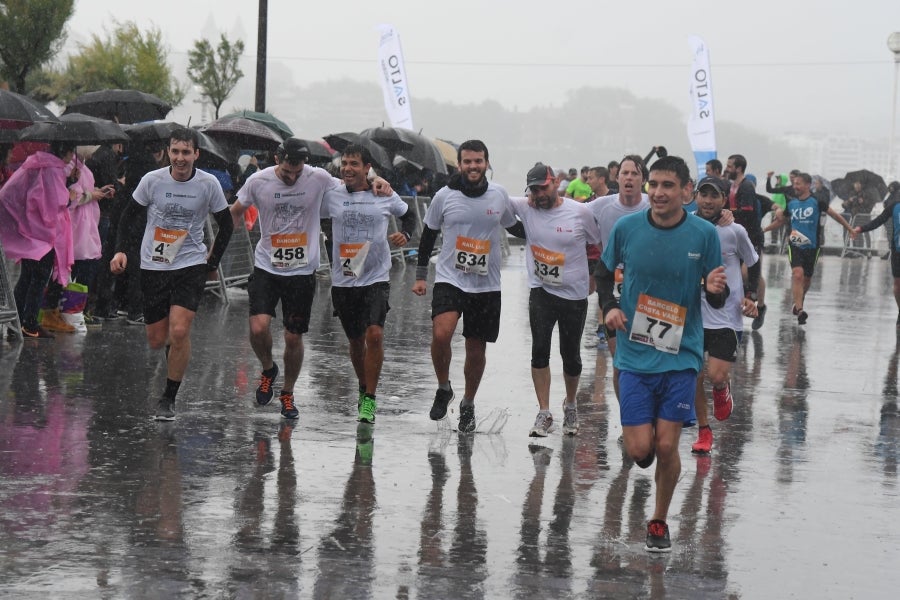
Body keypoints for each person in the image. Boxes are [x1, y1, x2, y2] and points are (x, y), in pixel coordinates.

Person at [596, 155, 727, 552]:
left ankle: (658, 520)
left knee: (668, 447)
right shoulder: (627, 228)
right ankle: (647, 441)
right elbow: (603, 272)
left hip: (681, 354)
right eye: (653, 184)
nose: (657, 192)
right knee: (640, 451)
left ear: (686, 191)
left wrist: (716, 290)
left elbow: (717, 298)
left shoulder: (704, 234)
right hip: (634, 355)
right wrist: (610, 307)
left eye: (667, 185)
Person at [230, 138, 394, 420]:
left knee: (293, 338)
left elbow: (352, 182)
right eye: (287, 172)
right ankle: (268, 369)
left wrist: (376, 179)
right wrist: (232, 242)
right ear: (277, 159)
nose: (292, 177)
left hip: (301, 272)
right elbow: (235, 211)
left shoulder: (318, 177)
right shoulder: (258, 181)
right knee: (258, 328)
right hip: (267, 267)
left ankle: (288, 394)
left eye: (298, 172)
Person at [110, 127, 234, 420]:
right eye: (175, 151)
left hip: (190, 264)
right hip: (154, 264)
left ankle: (168, 398)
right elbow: (128, 215)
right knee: (157, 339)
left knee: (179, 330)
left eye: (186, 152)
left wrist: (211, 262)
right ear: (168, 152)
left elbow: (227, 224)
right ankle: (176, 351)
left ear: (196, 154)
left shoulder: (208, 184)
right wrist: (120, 251)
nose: (180, 158)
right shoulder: (152, 180)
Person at [412, 139, 517, 433]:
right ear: (459, 164)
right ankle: (443, 387)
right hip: (450, 277)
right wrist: (420, 275)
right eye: (468, 161)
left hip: (486, 284)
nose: (473, 166)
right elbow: (428, 235)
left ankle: (468, 403)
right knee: (441, 333)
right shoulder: (444, 196)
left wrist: (550, 230)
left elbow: (516, 226)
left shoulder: (498, 195)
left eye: (478, 161)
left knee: (475, 348)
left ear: (486, 163)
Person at [320, 144, 417, 423]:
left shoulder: (382, 193)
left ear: (367, 168)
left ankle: (370, 399)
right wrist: (330, 238)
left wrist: (406, 235)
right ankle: (363, 387)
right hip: (345, 279)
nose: (347, 169)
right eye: (344, 163)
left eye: (354, 164)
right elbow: (315, 212)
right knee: (355, 342)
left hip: (376, 277)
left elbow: (409, 214)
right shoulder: (332, 195)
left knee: (374, 334)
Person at [512, 164, 601, 437]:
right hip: (541, 290)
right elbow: (493, 197)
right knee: (539, 350)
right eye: (534, 190)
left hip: (574, 294)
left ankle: (571, 404)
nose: (539, 194)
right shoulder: (526, 208)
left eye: (543, 188)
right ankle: (544, 412)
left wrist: (594, 276)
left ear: (556, 183)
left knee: (570, 356)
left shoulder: (579, 212)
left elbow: (597, 244)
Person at [689, 177, 760, 454]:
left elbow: (753, 262)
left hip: (726, 317)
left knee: (716, 376)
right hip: (693, 315)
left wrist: (751, 296)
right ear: (696, 196)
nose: (708, 201)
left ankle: (722, 388)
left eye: (714, 196)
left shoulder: (735, 231)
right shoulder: (686, 226)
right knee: (693, 375)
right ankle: (703, 430)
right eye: (703, 194)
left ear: (724, 200)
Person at [0, 141, 76, 339]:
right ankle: (30, 322)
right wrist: (69, 196)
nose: (72, 158)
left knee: (27, 277)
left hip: (30, 232)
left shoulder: (35, 164)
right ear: (66, 152)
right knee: (39, 278)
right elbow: (56, 202)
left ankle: (16, 323)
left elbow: (12, 193)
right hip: (45, 235)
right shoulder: (53, 170)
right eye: (72, 153)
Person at [588, 155, 649, 396]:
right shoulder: (601, 206)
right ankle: (628, 414)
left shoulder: (653, 205)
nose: (629, 178)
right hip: (611, 291)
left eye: (635, 174)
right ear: (617, 177)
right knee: (620, 362)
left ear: (643, 179)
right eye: (625, 173)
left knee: (648, 361)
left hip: (647, 294)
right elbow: (567, 211)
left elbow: (689, 216)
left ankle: (647, 412)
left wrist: (724, 216)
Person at [763, 172, 855, 325]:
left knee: (807, 279)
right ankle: (800, 310)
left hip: (812, 246)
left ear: (807, 185)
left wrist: (850, 228)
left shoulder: (817, 201)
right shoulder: (791, 203)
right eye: (794, 184)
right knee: (797, 274)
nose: (795, 187)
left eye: (798, 184)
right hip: (795, 243)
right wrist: (764, 229)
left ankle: (799, 300)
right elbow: (781, 220)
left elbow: (834, 215)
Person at [724, 154, 768, 331]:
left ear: (739, 168)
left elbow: (747, 213)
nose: (727, 169)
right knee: (737, 271)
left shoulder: (747, 186)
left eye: (730, 166)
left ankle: (758, 304)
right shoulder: (731, 186)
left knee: (748, 271)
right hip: (736, 236)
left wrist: (727, 214)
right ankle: (741, 303)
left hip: (751, 236)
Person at [854, 181, 900, 325]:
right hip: (898, 251)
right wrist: (861, 228)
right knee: (898, 285)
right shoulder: (895, 206)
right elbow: (879, 220)